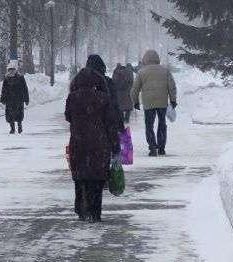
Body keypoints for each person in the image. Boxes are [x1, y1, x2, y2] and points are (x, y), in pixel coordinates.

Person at [65, 64, 120, 222]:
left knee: (80, 177)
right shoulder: (103, 98)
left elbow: (68, 116)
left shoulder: (73, 97)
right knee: (97, 178)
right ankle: (96, 211)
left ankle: (82, 209)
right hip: (99, 144)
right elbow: (111, 124)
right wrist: (115, 147)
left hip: (79, 143)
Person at [131, 49, 176, 156]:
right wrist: (173, 100)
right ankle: (161, 148)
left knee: (149, 125)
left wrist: (136, 102)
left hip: (149, 103)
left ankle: (152, 148)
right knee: (162, 124)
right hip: (162, 102)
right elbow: (172, 87)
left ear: (145, 59)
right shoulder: (165, 71)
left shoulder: (141, 72)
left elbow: (134, 89)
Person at [0, 61, 30, 133]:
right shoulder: (6, 78)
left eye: (12, 69)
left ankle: (19, 126)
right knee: (10, 115)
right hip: (9, 100)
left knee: (18, 114)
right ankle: (12, 129)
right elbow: (4, 89)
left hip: (18, 99)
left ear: (15, 70)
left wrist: (26, 99)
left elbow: (24, 89)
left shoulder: (20, 77)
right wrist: (3, 99)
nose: (11, 71)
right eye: (10, 69)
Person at [111, 63, 135, 128]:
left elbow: (112, 82)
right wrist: (129, 87)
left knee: (120, 107)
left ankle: (120, 120)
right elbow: (131, 81)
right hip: (127, 92)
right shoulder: (127, 72)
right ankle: (127, 119)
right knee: (128, 106)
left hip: (118, 93)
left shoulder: (115, 72)